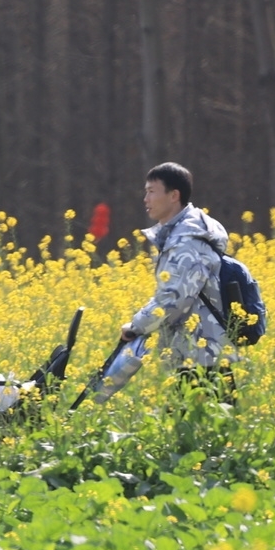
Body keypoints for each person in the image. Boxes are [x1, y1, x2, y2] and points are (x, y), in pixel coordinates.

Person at [92, 163, 234, 403]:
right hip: (197, 352)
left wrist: (137, 325)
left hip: (202, 355)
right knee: (200, 430)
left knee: (201, 430)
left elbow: (173, 299)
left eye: (151, 191)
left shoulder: (187, 240)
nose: (145, 198)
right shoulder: (181, 234)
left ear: (173, 195)